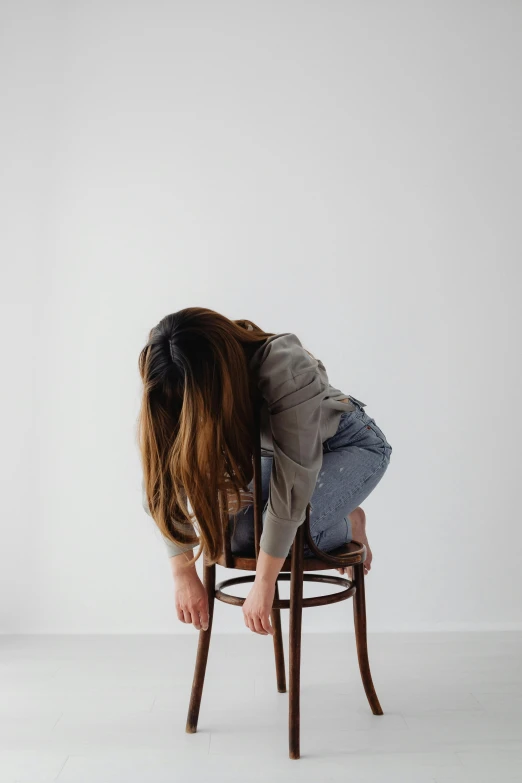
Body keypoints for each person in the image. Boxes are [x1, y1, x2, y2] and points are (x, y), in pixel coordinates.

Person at [138, 307, 392, 637]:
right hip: (279, 452)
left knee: (276, 537)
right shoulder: (170, 378)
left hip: (346, 445)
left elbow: (292, 485)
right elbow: (159, 480)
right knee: (236, 536)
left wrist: (264, 582)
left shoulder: (283, 364)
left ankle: (348, 520)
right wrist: (182, 574)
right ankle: (326, 514)